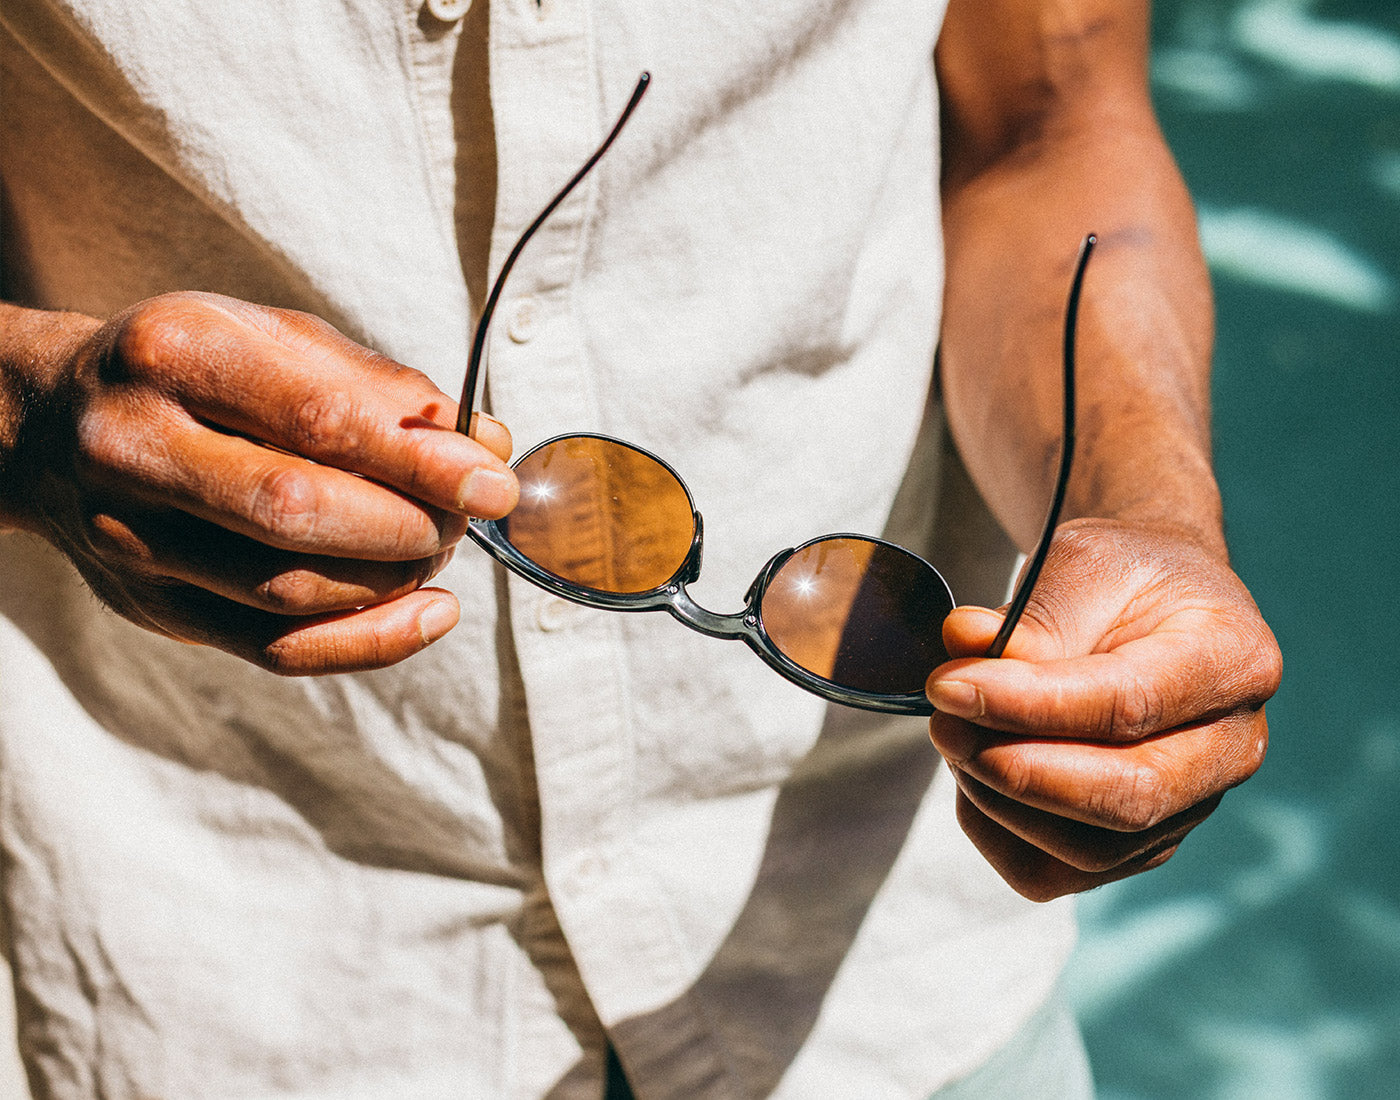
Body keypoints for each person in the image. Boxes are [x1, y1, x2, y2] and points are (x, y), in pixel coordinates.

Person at [0, 0, 1280, 1096]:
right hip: (232, 946)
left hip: (889, 955)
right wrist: (28, 416)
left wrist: (1145, 509)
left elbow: (1049, 122)